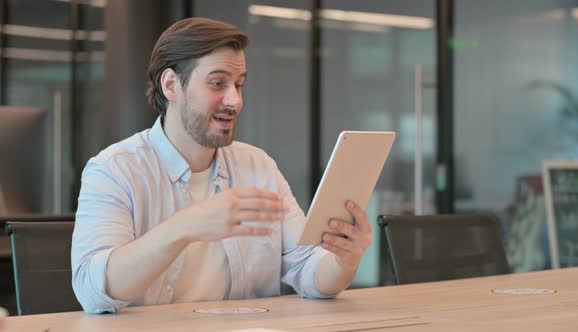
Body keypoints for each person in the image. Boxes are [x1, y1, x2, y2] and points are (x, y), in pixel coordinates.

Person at [71, 17, 372, 314]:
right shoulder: (113, 170)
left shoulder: (259, 167)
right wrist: (185, 226)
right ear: (171, 85)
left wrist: (342, 262)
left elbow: (309, 270)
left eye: (238, 85)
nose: (235, 101)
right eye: (218, 83)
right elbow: (92, 290)